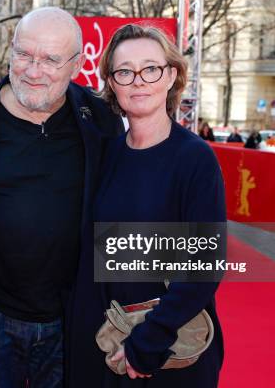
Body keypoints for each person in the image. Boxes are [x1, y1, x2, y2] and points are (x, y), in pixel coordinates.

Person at [0, 7, 123, 387]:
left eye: (50, 59)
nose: (33, 70)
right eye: (23, 55)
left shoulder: (99, 121)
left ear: (76, 64)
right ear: (10, 51)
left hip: (73, 318)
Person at [68, 24, 226, 387]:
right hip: (107, 343)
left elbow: (205, 265)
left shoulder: (195, 159)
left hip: (164, 350)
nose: (138, 80)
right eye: (124, 71)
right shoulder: (106, 155)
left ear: (171, 75)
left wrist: (149, 341)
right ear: (111, 82)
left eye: (150, 68)